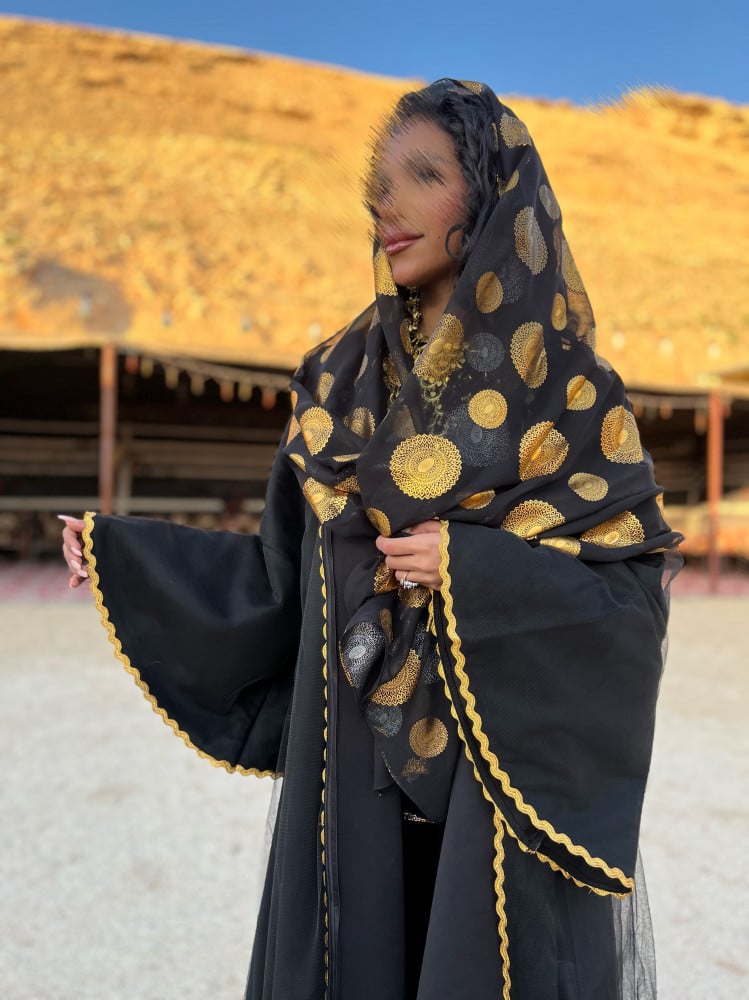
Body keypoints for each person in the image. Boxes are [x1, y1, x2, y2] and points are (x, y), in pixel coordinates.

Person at [61, 79, 682, 1000]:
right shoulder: (337, 383)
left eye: (422, 176)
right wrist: (130, 559)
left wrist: (473, 571)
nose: (384, 206)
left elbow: (627, 608)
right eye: (378, 184)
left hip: (496, 801)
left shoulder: (571, 395)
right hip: (354, 777)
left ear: (491, 195)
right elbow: (283, 581)